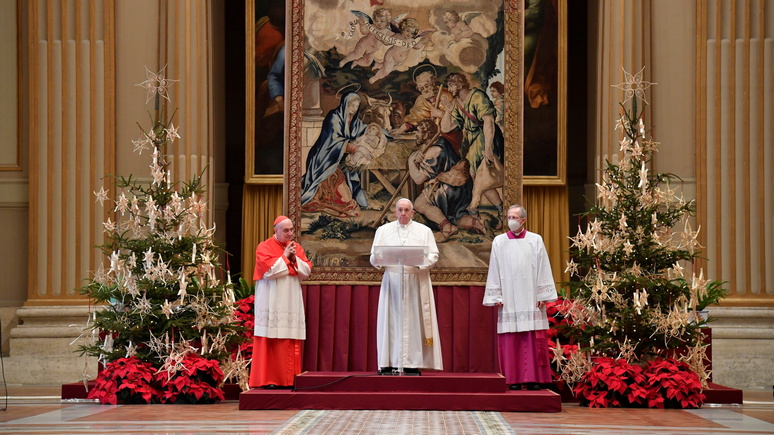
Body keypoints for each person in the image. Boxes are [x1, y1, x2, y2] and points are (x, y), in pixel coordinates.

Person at [483, 204, 557, 390]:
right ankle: (513, 379)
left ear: (523, 220)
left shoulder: (535, 240)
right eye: (508, 217)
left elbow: (543, 267)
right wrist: (496, 294)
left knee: (531, 339)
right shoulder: (499, 242)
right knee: (511, 339)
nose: (511, 221)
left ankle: (533, 379)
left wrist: (542, 293)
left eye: (514, 217)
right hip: (508, 297)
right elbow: (494, 269)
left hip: (531, 296)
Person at [370, 198, 443, 374]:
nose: (403, 213)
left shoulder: (424, 231)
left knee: (413, 322)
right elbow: (373, 256)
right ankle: (388, 362)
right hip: (392, 283)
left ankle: (411, 363)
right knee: (391, 322)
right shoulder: (383, 231)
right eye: (400, 210)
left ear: (412, 213)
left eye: (407, 210)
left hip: (414, 282)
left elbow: (434, 255)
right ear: (395, 212)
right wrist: (379, 260)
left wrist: (420, 263)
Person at [249, 215, 313, 389]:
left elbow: (306, 271)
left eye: (292, 230)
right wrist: (285, 257)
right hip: (271, 298)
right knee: (271, 338)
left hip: (291, 298)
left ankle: (289, 379)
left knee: (289, 337)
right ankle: (269, 379)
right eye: (286, 230)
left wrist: (293, 259)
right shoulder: (264, 246)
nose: (290, 233)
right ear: (275, 230)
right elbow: (268, 272)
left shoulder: (296, 248)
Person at [437, 72, 504, 226]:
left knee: (473, 174)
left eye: (451, 85)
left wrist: (488, 147)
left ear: (459, 84)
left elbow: (488, 121)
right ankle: (500, 210)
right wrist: (447, 111)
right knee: (479, 179)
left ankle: (474, 210)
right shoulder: (458, 103)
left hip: (485, 137)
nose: (449, 89)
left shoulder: (477, 96)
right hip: (471, 140)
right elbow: (447, 128)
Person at [407, 119, 491, 242]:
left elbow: (419, 179)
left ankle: (447, 228)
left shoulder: (434, 151)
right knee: (456, 216)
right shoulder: (443, 142)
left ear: (426, 134)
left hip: (449, 188)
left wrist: (411, 162)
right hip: (463, 188)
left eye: (418, 132)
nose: (416, 135)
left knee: (420, 204)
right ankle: (478, 224)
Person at [300, 92, 368, 217]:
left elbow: (366, 129)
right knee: (343, 198)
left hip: (338, 159)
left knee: (346, 198)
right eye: (351, 105)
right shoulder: (334, 117)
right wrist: (347, 145)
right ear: (344, 104)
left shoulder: (354, 121)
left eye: (357, 106)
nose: (354, 109)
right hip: (324, 158)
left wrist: (382, 133)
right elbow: (332, 139)